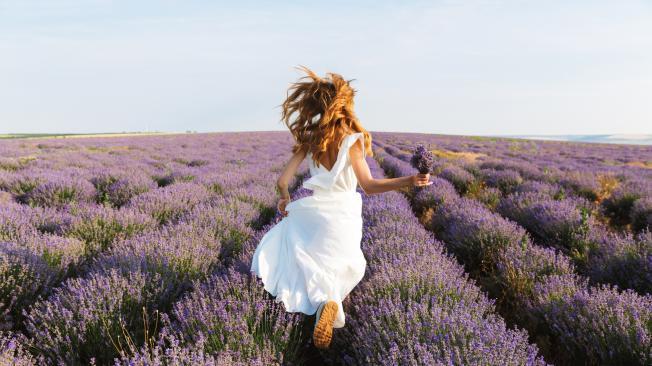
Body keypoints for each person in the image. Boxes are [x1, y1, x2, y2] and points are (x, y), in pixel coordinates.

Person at [250, 66, 431, 349]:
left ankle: (324, 305)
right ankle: (331, 304)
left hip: (313, 211)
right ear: (345, 103)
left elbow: (282, 180)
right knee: (340, 267)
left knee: (304, 261)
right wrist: (409, 179)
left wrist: (285, 199)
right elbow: (369, 185)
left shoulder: (310, 138)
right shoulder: (353, 140)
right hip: (343, 215)